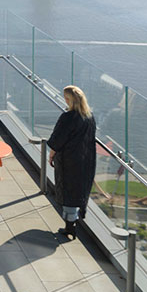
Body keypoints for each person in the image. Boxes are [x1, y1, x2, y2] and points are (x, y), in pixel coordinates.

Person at [47, 85, 97, 241]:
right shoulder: (89, 117)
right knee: (79, 191)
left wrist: (51, 155)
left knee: (68, 191)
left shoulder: (67, 117)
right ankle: (74, 221)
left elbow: (57, 140)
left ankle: (70, 228)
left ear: (69, 99)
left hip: (69, 161)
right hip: (86, 159)